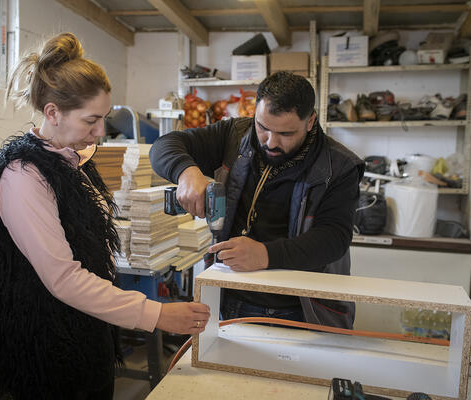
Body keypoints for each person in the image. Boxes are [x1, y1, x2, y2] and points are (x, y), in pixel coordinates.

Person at [0, 32, 210, 400]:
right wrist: (156, 315)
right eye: (91, 121)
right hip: (44, 352)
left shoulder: (71, 161)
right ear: (52, 112)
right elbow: (64, 278)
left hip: (84, 334)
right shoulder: (24, 177)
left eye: (105, 119)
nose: (100, 133)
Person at [150, 71, 364, 329]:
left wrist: (265, 254)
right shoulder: (234, 134)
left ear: (310, 122)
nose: (271, 142)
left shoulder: (339, 166)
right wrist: (186, 172)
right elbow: (163, 146)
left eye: (286, 133)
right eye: (263, 127)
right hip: (231, 298)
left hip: (302, 309)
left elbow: (333, 239)